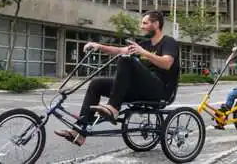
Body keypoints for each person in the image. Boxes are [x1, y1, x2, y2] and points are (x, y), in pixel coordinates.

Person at [54, 10, 179, 146]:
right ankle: (80, 132)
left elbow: (167, 63)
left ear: (156, 24)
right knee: (97, 84)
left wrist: (143, 53)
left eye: (145, 23)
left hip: (160, 90)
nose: (141, 26)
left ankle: (113, 108)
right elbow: (120, 50)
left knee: (126, 60)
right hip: (141, 90)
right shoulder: (145, 44)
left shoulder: (168, 42)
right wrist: (99, 46)